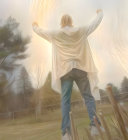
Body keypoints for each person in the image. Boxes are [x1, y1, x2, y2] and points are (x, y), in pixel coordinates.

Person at [32, 9, 104, 140]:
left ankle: (66, 133)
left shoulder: (56, 33)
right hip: (80, 68)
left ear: (61, 23)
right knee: (88, 97)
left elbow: (41, 32)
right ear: (71, 22)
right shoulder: (80, 30)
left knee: (65, 101)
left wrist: (34, 25)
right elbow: (94, 24)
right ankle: (95, 127)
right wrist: (100, 13)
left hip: (65, 71)